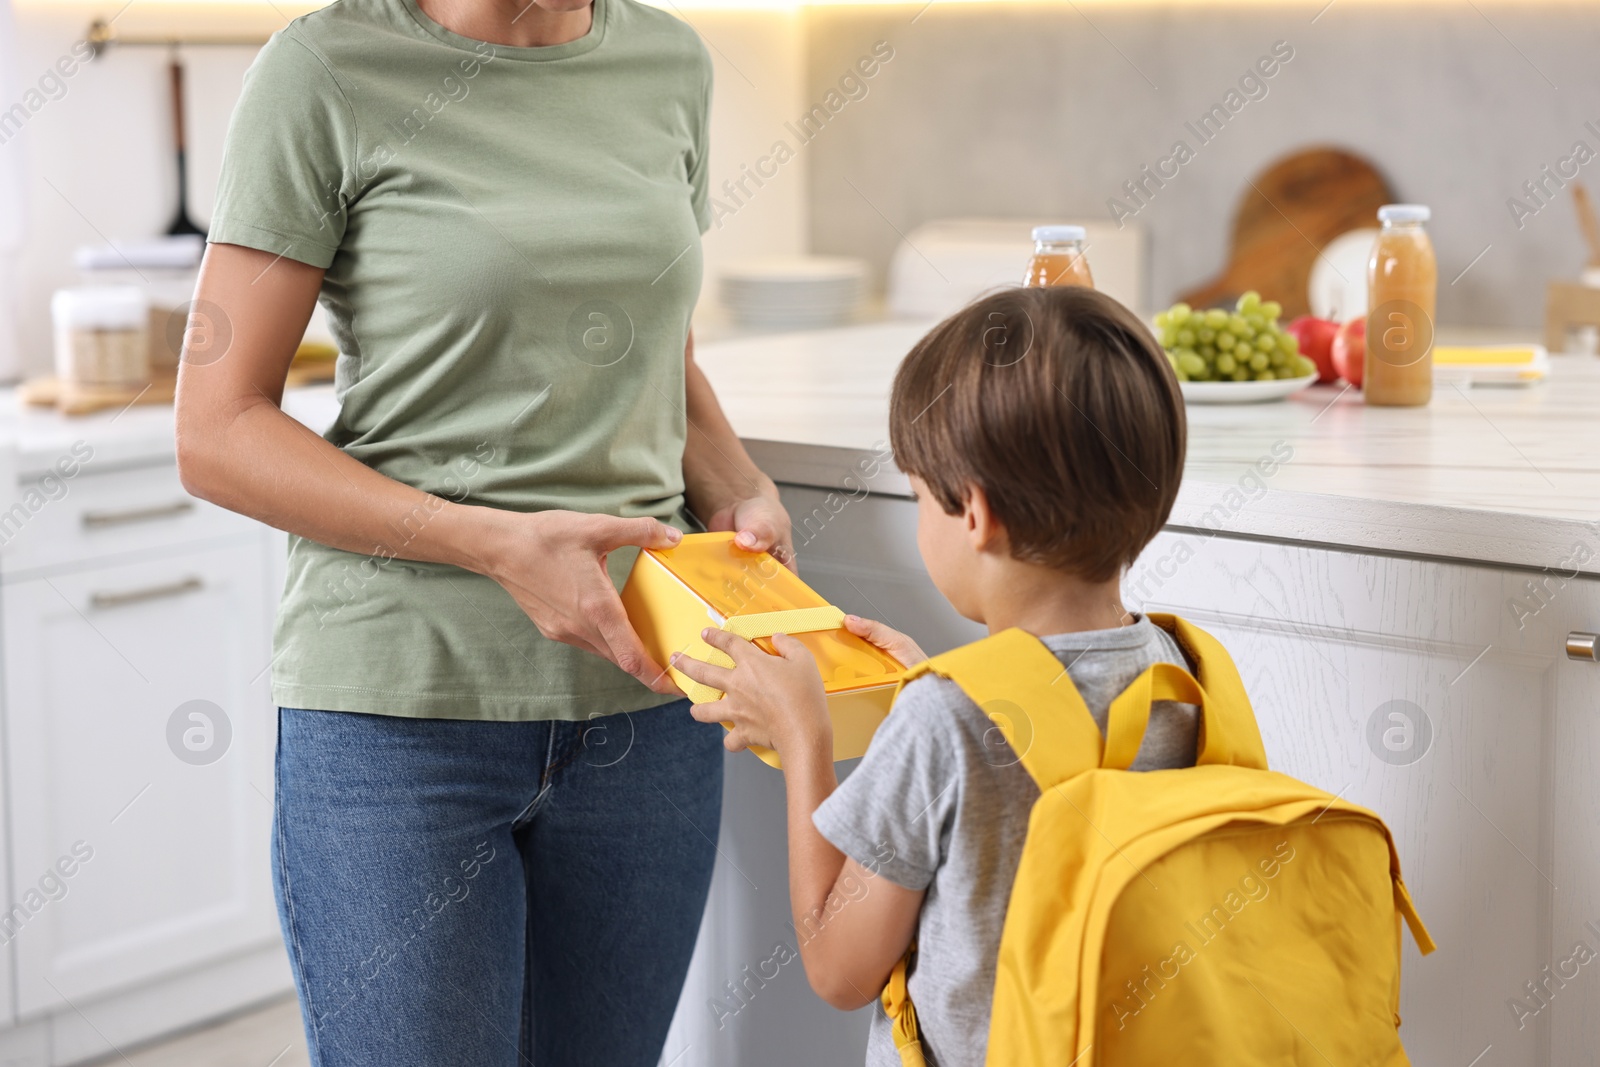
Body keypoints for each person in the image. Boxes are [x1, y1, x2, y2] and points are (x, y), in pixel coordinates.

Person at [173, 0, 791, 1064]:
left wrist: (739, 487)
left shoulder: (666, 60)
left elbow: (657, 358)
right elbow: (217, 427)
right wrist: (491, 543)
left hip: (643, 711)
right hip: (400, 713)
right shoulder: (324, 69)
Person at [673, 285, 1198, 1066]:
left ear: (975, 514)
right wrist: (937, 684)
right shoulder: (1179, 673)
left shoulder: (942, 724)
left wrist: (803, 739)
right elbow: (1045, 764)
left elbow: (838, 965)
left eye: (919, 496)